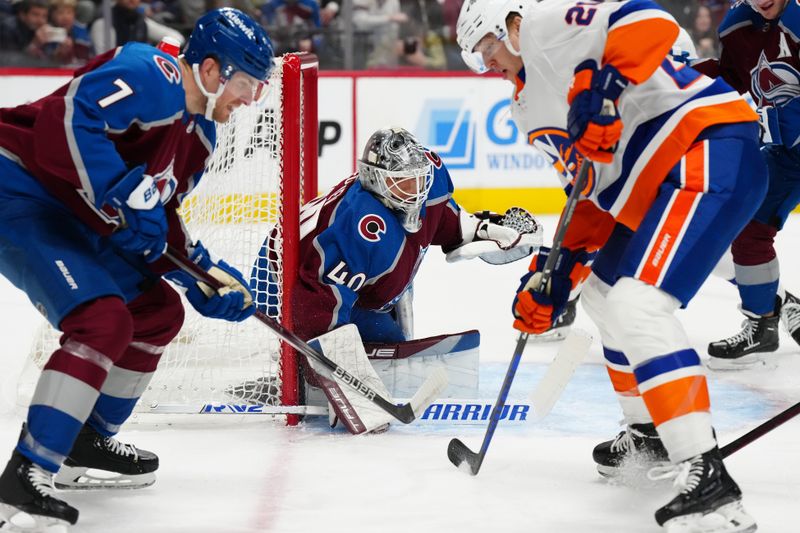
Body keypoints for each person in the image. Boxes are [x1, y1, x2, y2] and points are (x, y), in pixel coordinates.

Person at [457, 1, 765, 532]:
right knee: (599, 293)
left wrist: (602, 87)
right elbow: (590, 202)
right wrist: (557, 276)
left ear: (510, 23)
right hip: (658, 184)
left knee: (637, 304)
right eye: (479, 60)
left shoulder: (546, 26)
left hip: (706, 145)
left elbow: (649, 20)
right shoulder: (527, 110)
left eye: (488, 50)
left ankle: (707, 476)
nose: (491, 67)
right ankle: (649, 431)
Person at [0, 7, 272, 529]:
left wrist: (203, 275)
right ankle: (26, 472)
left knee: (156, 311)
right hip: (20, 187)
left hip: (72, 214)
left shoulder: (201, 137)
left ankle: (85, 439)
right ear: (212, 71)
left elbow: (158, 216)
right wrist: (121, 193)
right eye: (245, 83)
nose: (248, 99)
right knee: (102, 321)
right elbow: (69, 121)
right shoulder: (153, 73)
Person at [251, 127, 541, 433]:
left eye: (419, 179)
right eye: (403, 183)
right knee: (338, 347)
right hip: (282, 280)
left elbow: (438, 216)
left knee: (390, 344)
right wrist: (334, 383)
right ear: (377, 181)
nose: (415, 190)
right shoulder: (361, 226)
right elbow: (319, 301)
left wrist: (479, 228)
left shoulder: (428, 180)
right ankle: (293, 369)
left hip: (341, 281)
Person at [690, 0, 800, 370]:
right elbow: (732, 78)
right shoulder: (738, 26)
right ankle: (763, 321)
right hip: (789, 155)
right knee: (749, 228)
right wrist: (679, 79)